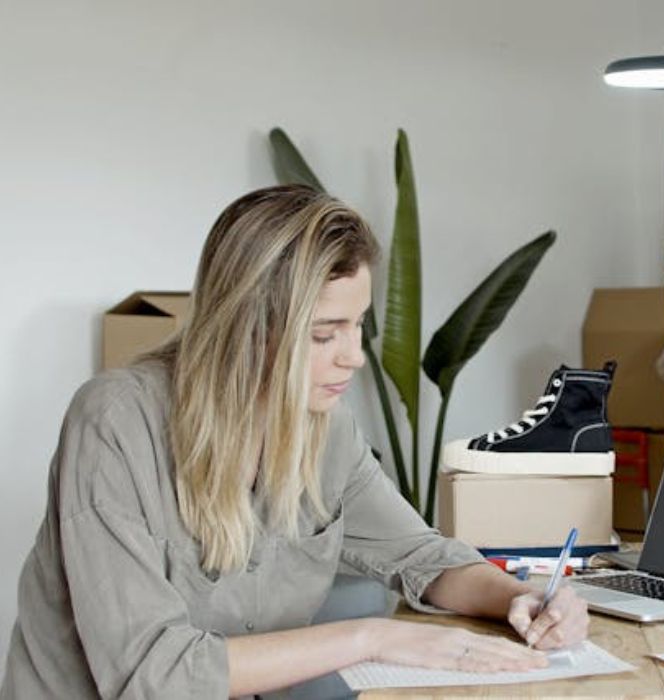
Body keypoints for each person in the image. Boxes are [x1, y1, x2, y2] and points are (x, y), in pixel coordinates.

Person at [1, 185, 589, 698]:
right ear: (245, 327)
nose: (354, 356)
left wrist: (522, 598)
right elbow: (152, 675)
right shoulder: (115, 424)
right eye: (323, 334)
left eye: (357, 326)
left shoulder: (325, 430)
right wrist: (371, 637)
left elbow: (424, 557)